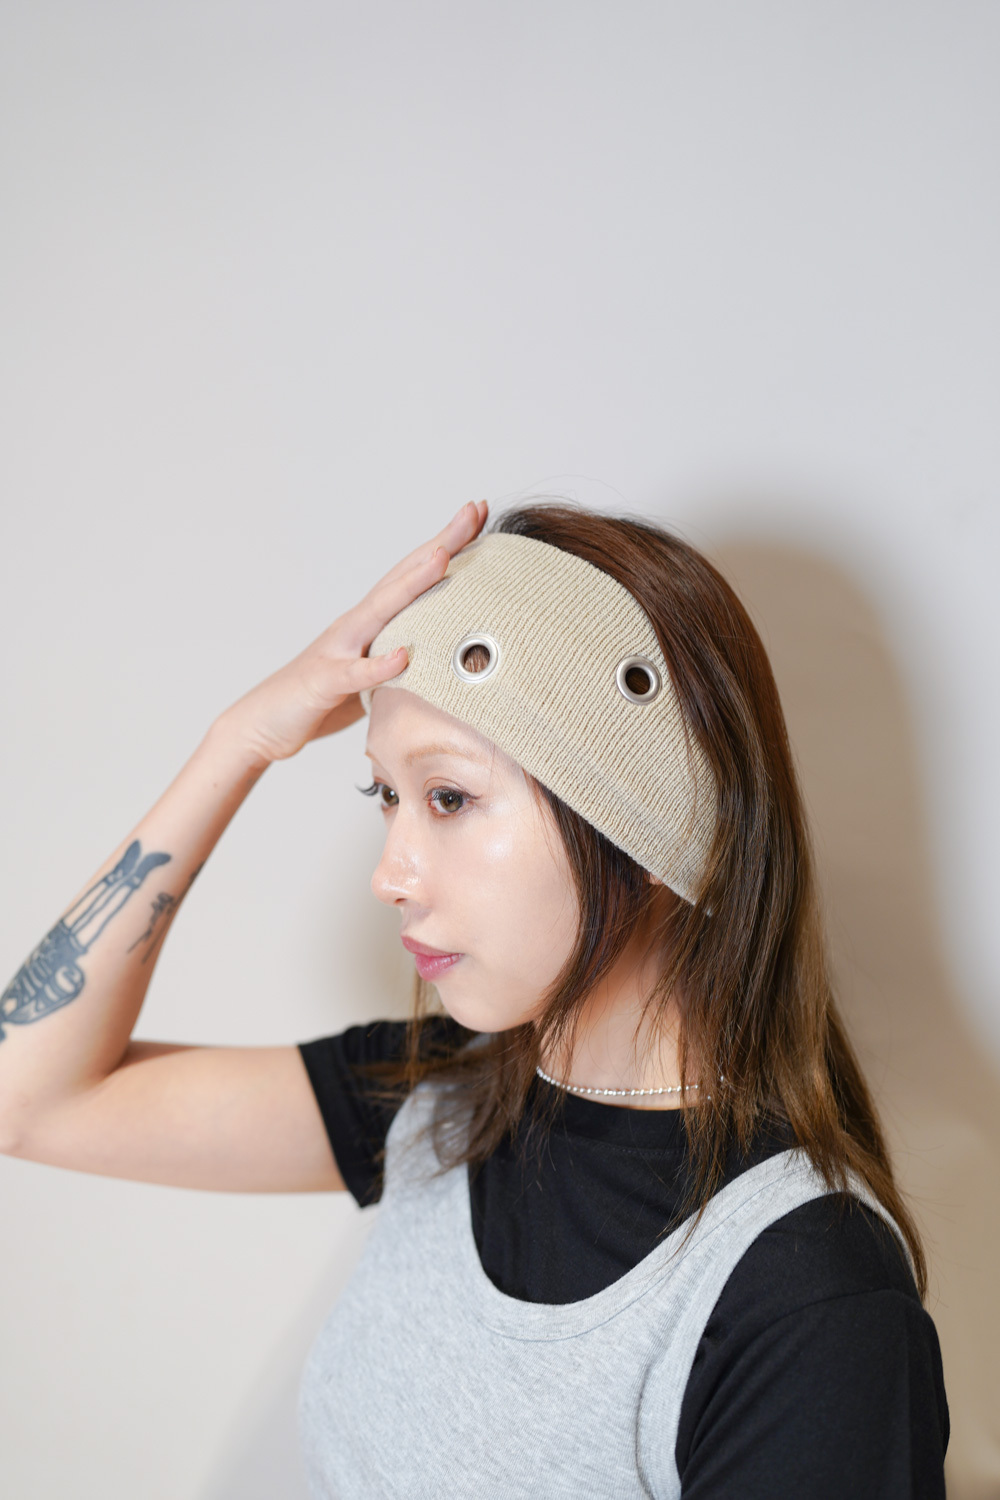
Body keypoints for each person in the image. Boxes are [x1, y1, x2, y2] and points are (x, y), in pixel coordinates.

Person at [0, 497, 949, 1497]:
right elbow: (29, 1097)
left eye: (448, 798)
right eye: (386, 796)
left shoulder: (809, 1300)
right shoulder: (441, 1097)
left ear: (649, 822)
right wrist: (237, 743)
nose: (390, 875)